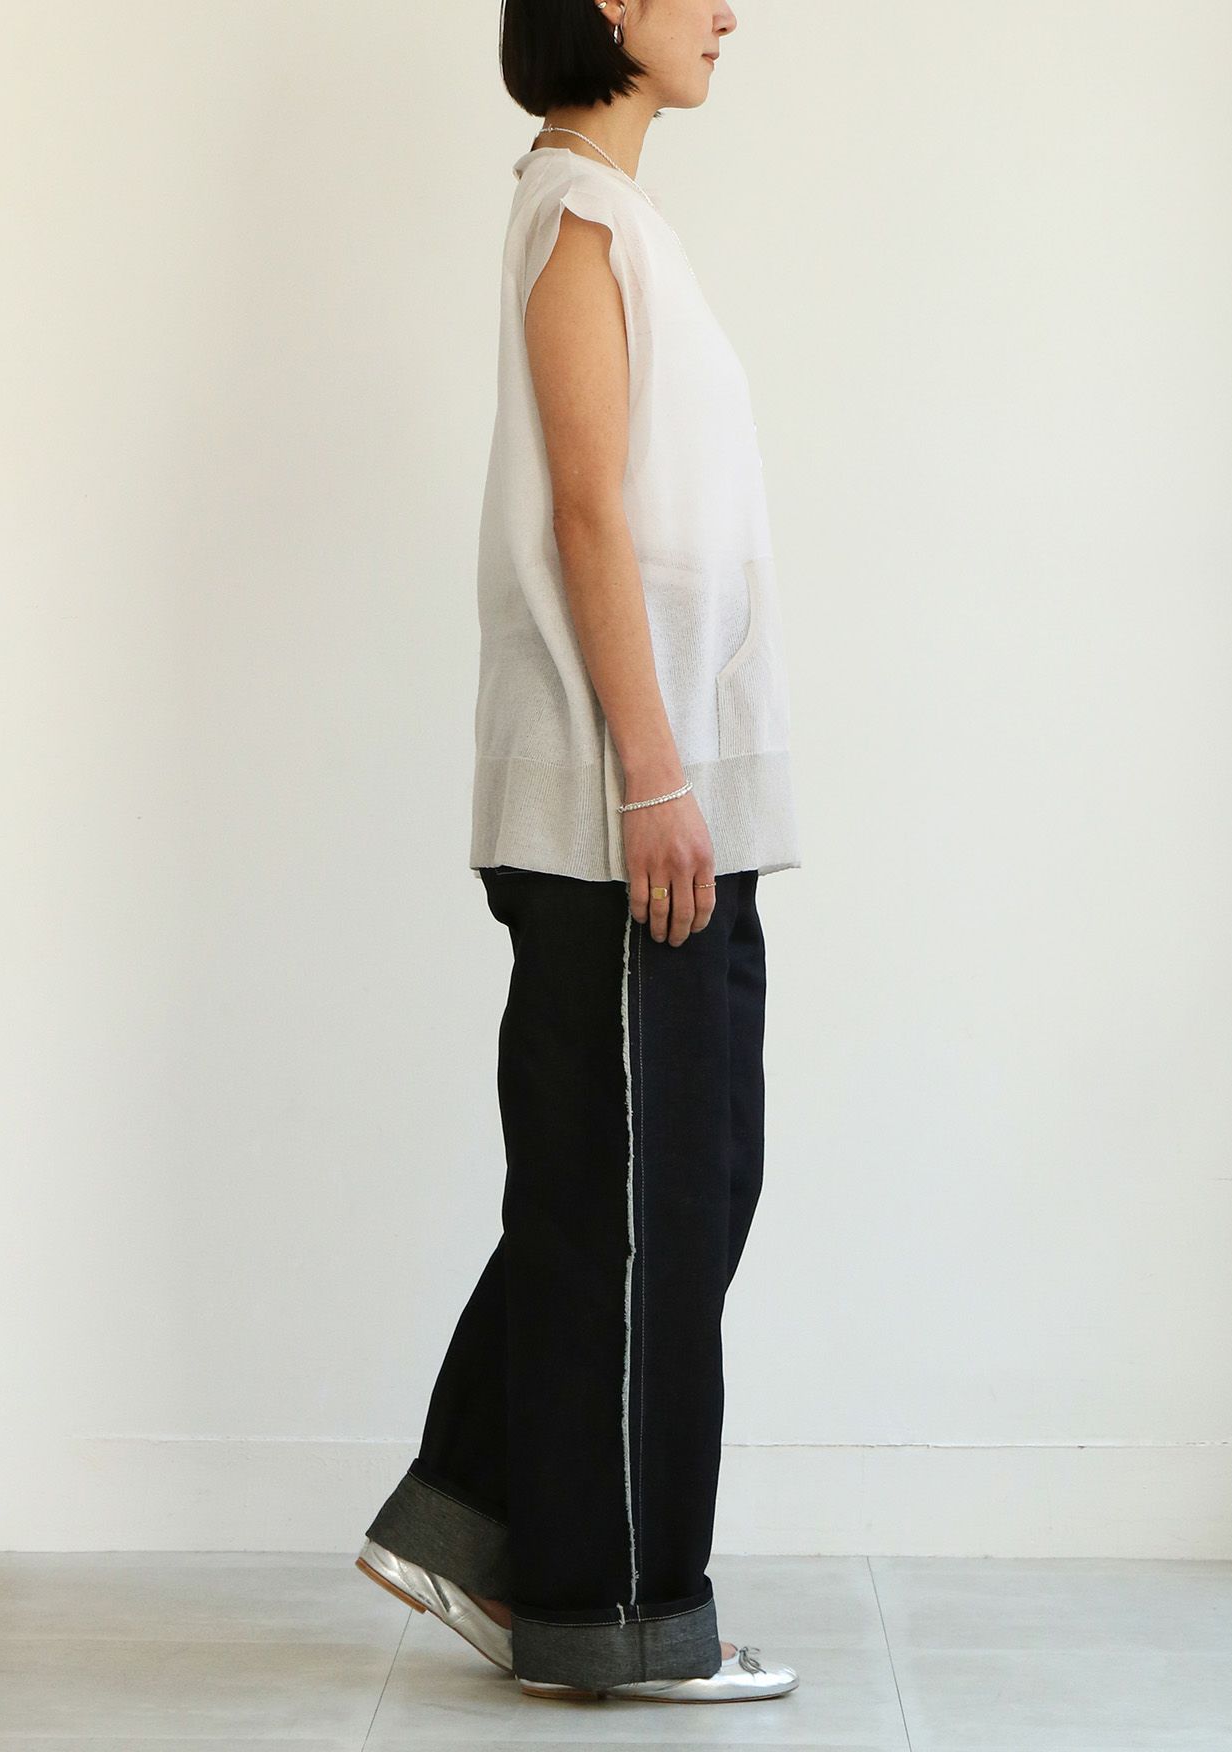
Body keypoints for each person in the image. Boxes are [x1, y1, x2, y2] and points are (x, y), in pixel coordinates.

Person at [357, 0, 801, 1704]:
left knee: (662, 1187)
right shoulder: (580, 216)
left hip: (671, 796)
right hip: (630, 807)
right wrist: (650, 777)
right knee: (638, 1212)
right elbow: (591, 512)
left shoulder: (616, 216)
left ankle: (481, 1525)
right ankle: (615, 1616)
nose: (729, 12)